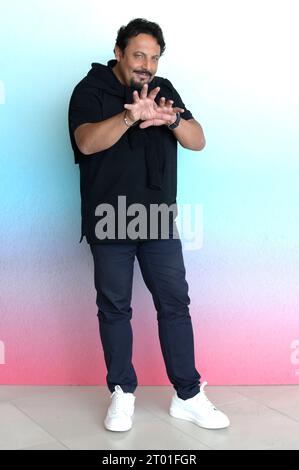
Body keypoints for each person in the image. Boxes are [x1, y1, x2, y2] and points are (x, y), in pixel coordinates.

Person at [68, 18, 230, 432]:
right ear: (119, 52)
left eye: (154, 57)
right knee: (115, 307)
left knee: (175, 303)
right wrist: (129, 118)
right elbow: (86, 142)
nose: (147, 65)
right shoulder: (89, 90)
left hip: (157, 217)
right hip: (109, 217)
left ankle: (188, 395)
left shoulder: (164, 90)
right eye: (139, 54)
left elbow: (198, 139)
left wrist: (170, 120)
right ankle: (122, 394)